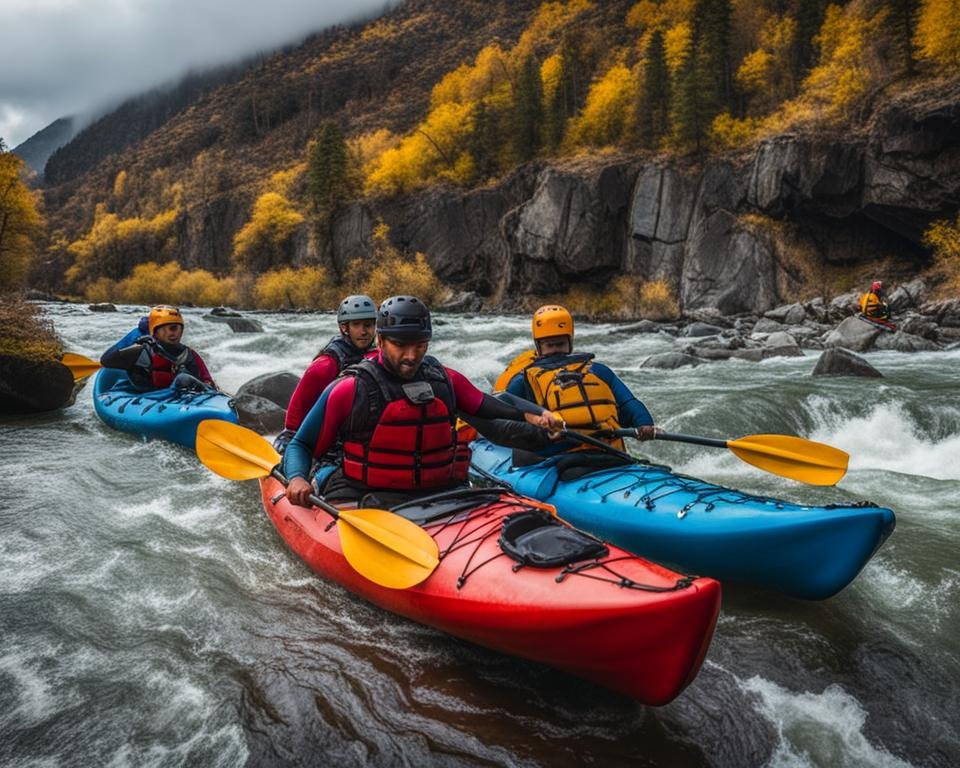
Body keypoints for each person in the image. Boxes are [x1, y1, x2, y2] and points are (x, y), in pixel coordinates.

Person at [283, 295, 562, 507]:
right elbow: (301, 443)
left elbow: (485, 405)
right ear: (381, 341)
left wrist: (535, 415)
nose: (411, 356)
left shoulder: (443, 378)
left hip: (437, 492)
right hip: (363, 493)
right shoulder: (348, 388)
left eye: (419, 345)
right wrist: (296, 476)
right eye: (400, 345)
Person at [500, 305, 656, 459]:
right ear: (571, 342)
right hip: (610, 452)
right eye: (550, 345)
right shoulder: (597, 370)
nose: (555, 349)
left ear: (538, 346)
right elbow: (629, 404)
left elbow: (501, 414)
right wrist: (644, 424)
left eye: (559, 344)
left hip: (558, 459)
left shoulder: (525, 379)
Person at [273, 294, 378, 453]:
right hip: (327, 435)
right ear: (344, 328)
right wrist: (293, 440)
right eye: (357, 325)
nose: (364, 331)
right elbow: (299, 407)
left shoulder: (377, 355)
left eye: (369, 325)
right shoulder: (325, 365)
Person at [100, 305, 218, 392]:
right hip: (145, 396)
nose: (172, 333)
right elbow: (106, 360)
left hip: (178, 399)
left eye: (175, 328)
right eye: (164, 329)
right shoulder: (141, 351)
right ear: (155, 333)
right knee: (183, 379)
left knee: (184, 379)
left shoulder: (189, 355)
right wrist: (135, 336)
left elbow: (207, 382)